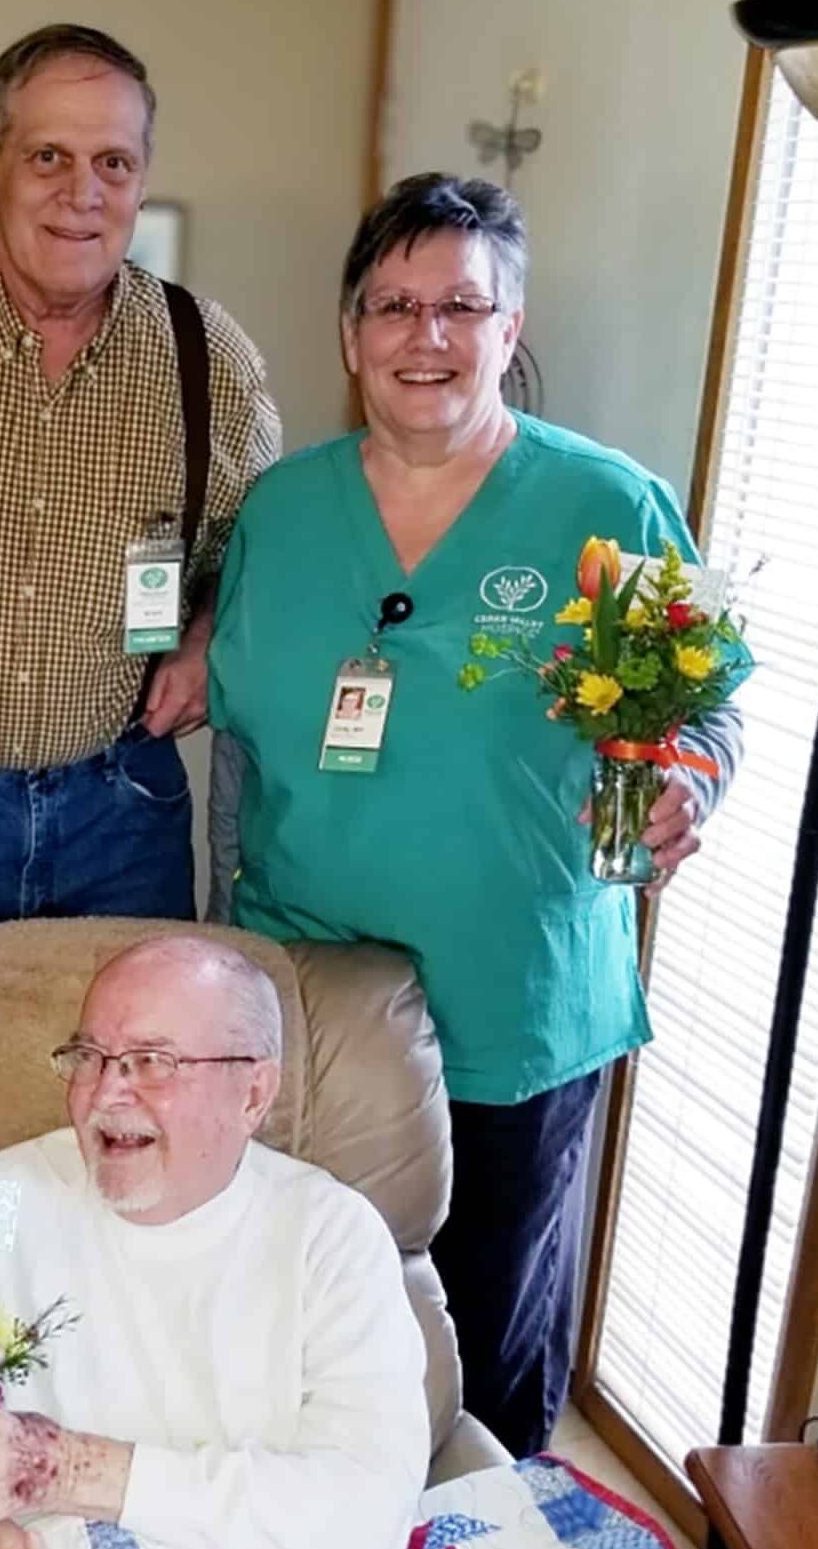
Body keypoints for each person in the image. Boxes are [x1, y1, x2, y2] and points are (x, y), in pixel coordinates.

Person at [205, 174, 745, 1459]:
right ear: (349, 335)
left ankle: (487, 1545)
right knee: (310, 1304)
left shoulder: (605, 508)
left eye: (461, 303)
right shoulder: (283, 508)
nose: (425, 335)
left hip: (513, 1005)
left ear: (511, 329)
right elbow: (232, 743)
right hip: (312, 992)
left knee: (488, 1335)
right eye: (393, 304)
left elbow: (708, 704)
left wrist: (693, 780)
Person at [0, 24, 281, 940]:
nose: (83, 193)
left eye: (114, 163)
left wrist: (203, 634)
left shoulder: (212, 361)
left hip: (124, 810)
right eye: (49, 155)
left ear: (142, 178)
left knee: (138, 1073)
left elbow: (264, 552)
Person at [0, 935, 430, 1549]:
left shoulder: (333, 1233)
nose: (105, 1094)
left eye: (151, 1061)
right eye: (90, 1057)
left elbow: (368, 1521)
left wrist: (70, 1470)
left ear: (254, 1093)